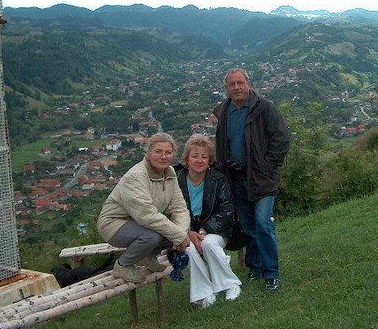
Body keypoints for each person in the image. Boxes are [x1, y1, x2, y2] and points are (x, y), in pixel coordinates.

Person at [213, 68, 290, 292]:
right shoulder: (224, 112)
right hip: (236, 178)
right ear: (226, 88)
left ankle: (271, 274)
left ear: (249, 84)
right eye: (232, 84)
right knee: (248, 226)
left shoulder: (264, 108)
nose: (237, 87)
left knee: (263, 224)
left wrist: (268, 166)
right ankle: (255, 268)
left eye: (240, 83)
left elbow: (282, 138)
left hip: (262, 179)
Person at [97, 132, 191, 283]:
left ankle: (147, 257)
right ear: (148, 153)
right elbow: (146, 216)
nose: (163, 156)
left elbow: (179, 208)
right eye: (158, 152)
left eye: (168, 152)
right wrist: (179, 237)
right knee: (153, 236)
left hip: (141, 223)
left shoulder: (170, 173)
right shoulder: (136, 176)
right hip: (114, 224)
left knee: (180, 228)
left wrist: (180, 233)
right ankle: (122, 265)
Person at [176, 134, 242, 307]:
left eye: (204, 157)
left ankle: (230, 284)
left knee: (209, 244)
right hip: (184, 231)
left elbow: (227, 210)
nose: (199, 160)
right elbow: (171, 212)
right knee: (188, 249)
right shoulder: (176, 181)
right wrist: (188, 232)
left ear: (209, 160)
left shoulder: (218, 180)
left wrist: (203, 231)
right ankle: (203, 293)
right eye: (195, 156)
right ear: (187, 159)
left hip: (215, 230)